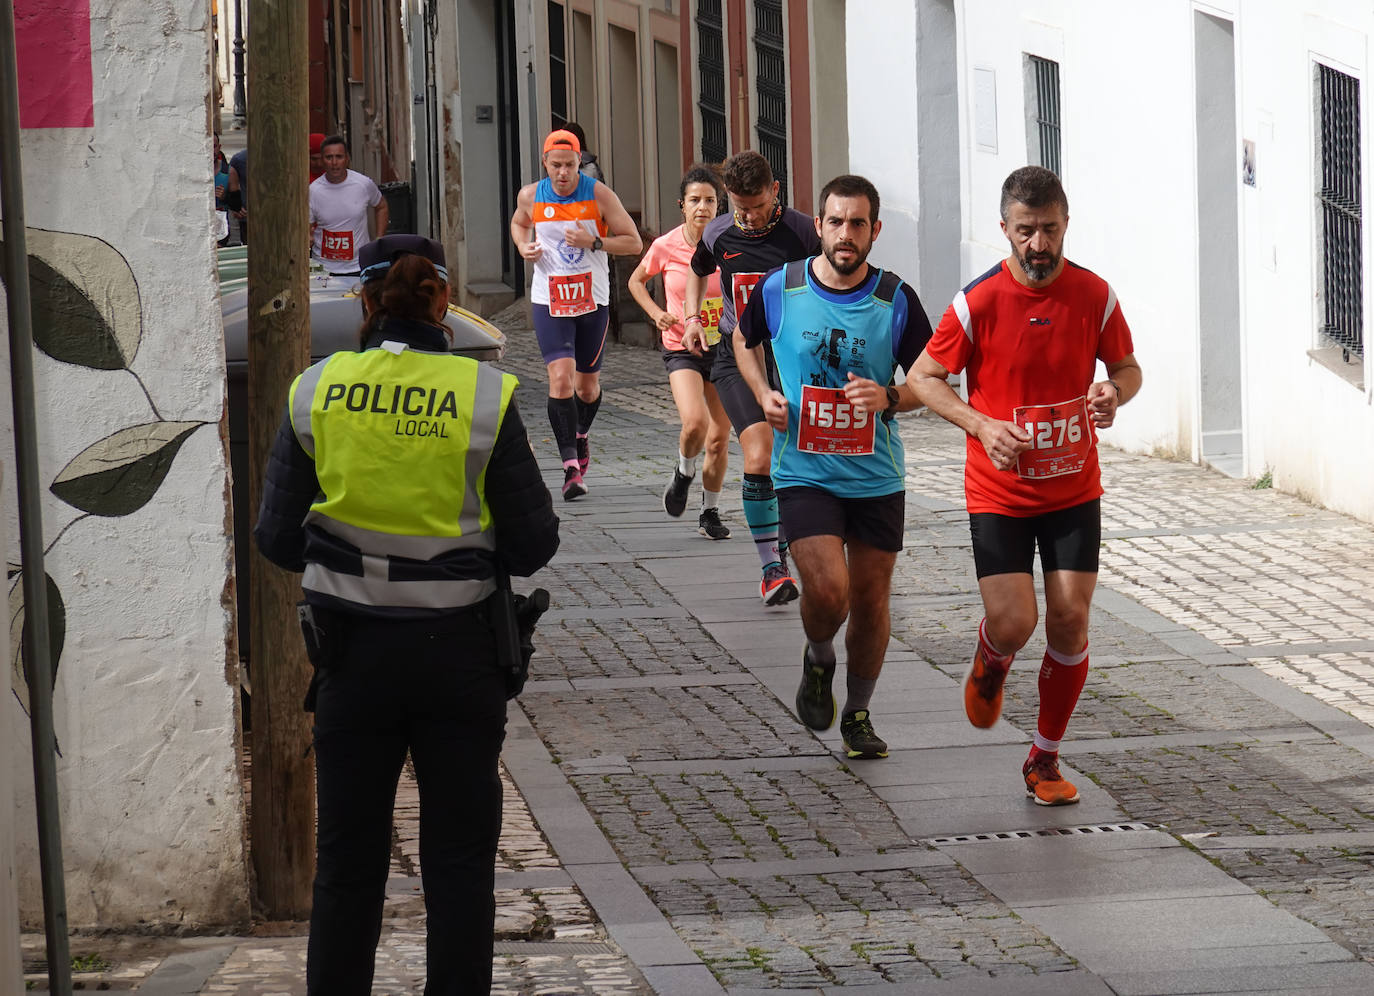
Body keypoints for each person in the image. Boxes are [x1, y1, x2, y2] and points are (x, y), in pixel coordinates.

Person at [253, 234, 560, 994]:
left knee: (348, 865)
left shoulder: (316, 390)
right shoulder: (484, 398)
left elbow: (276, 539)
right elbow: (531, 545)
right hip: (460, 660)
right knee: (459, 866)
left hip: (352, 661)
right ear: (444, 304)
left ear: (365, 301)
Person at [907, 165, 1142, 804]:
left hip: (1072, 489)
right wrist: (981, 425)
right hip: (1000, 493)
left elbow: (1126, 366)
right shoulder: (977, 301)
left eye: (1050, 230)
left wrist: (1112, 393)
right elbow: (924, 378)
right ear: (1004, 229)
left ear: (1066, 224)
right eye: (1026, 232)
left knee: (1069, 621)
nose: (1039, 245)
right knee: (1015, 621)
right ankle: (992, 655)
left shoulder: (1095, 295)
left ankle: (1043, 758)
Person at [737, 175, 932, 759]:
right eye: (835, 222)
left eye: (858, 224)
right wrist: (763, 392)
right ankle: (819, 655)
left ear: (875, 230)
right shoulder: (781, 288)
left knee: (871, 602)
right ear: (817, 225)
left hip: (875, 475)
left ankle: (858, 714)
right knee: (828, 589)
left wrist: (892, 397)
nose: (846, 235)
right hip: (805, 471)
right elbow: (743, 341)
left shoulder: (895, 300)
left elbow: (932, 382)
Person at [682, 150, 819, 605]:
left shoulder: (802, 232)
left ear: (775, 191)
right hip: (736, 356)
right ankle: (771, 568)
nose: (749, 215)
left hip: (794, 359)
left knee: (791, 461)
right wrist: (692, 318)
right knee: (758, 453)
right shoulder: (719, 232)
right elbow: (697, 272)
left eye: (757, 206)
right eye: (739, 206)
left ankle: (786, 545)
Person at [509, 128, 642, 500]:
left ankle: (580, 435)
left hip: (592, 301)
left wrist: (595, 242)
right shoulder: (531, 195)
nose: (563, 173)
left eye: (570, 165)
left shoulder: (598, 194)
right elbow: (519, 223)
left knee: (586, 387)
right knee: (560, 380)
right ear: (545, 164)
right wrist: (523, 247)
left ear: (579, 162)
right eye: (556, 166)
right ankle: (570, 469)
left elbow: (633, 242)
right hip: (549, 300)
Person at [627, 164, 733, 539]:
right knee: (695, 424)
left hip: (724, 350)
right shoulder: (666, 245)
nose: (703, 207)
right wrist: (657, 314)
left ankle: (710, 511)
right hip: (681, 347)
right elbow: (636, 280)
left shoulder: (731, 244)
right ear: (682, 205)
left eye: (710, 200)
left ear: (720, 205)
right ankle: (684, 471)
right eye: (695, 200)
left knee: (720, 438)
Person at [309, 134, 389, 276]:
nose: (334, 162)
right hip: (323, 269)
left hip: (358, 267)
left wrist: (379, 239)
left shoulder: (363, 184)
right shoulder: (313, 190)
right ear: (323, 160)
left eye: (339, 157)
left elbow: (381, 206)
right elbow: (306, 227)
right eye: (329, 157)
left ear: (347, 159)